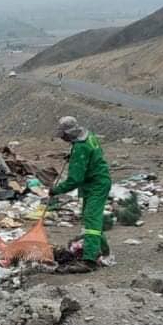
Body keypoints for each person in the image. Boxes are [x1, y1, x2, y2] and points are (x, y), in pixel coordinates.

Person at [49, 116, 111, 273]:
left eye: (63, 135)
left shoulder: (80, 148)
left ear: (69, 133)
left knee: (91, 220)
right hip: (95, 182)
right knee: (91, 218)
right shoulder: (88, 136)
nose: (63, 138)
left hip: (96, 185)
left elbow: (75, 180)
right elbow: (92, 155)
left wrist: (56, 190)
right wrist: (73, 155)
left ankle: (89, 260)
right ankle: (103, 250)